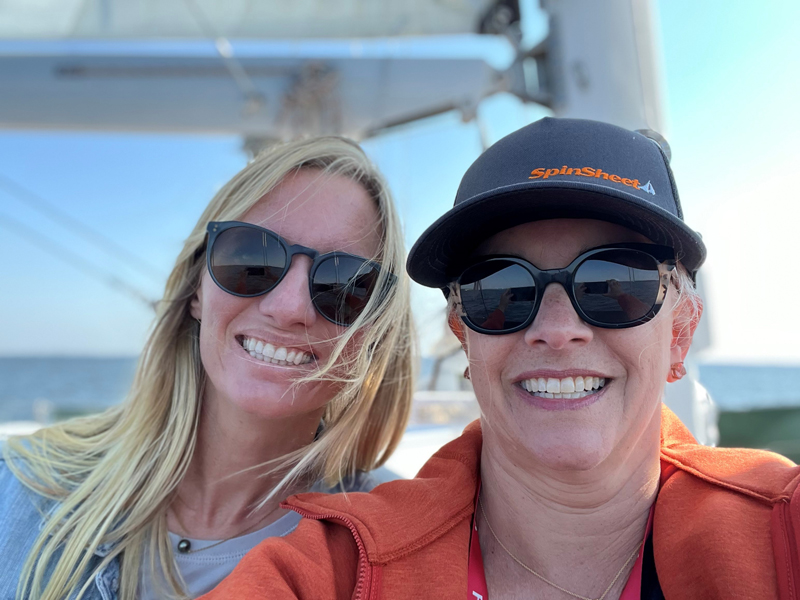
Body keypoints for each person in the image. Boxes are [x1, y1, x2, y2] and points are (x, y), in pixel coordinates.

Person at [201, 118, 800, 600]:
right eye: (501, 291)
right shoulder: (335, 570)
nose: (559, 330)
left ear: (681, 330)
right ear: (464, 333)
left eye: (616, 283)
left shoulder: (782, 534)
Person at [0, 136, 414, 600]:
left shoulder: (394, 548)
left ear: (374, 332)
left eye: (344, 284)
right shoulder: (18, 489)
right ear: (198, 289)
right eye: (251, 257)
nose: (289, 307)